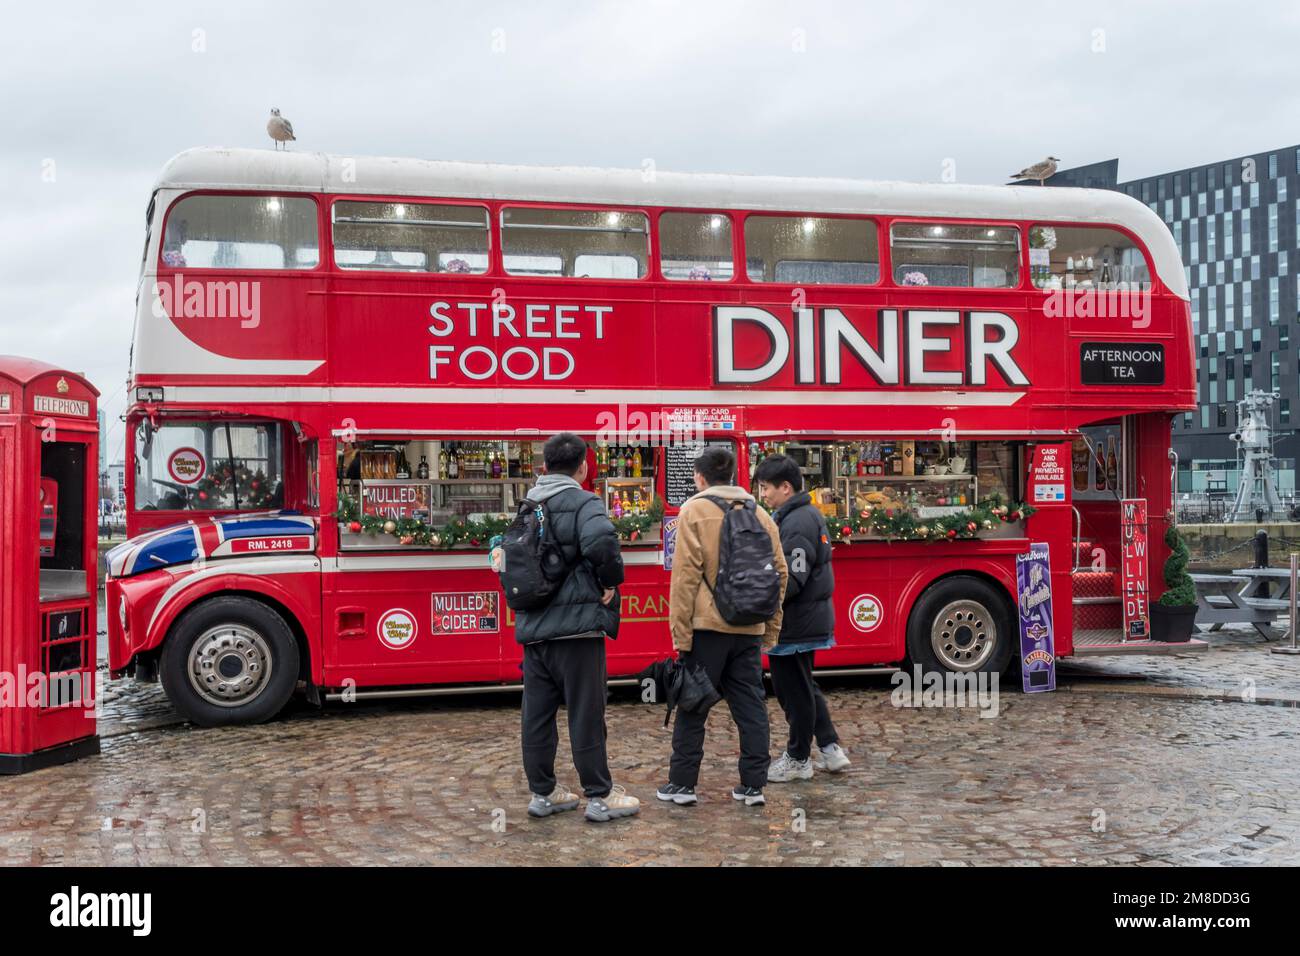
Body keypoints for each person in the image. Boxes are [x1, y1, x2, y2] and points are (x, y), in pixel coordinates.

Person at [512, 432, 640, 823]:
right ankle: (600, 795)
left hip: (534, 628)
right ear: (583, 467)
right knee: (586, 712)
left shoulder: (529, 505)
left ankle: (543, 792)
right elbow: (602, 542)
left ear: (544, 466)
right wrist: (609, 581)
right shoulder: (585, 501)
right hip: (578, 630)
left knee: (537, 714)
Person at [658, 445, 787, 807]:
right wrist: (770, 630)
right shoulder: (760, 513)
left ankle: (682, 785)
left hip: (707, 628)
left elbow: (685, 577)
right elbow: (780, 573)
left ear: (699, 477)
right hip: (749, 628)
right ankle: (753, 786)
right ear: (733, 475)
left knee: (693, 704)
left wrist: (681, 635)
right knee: (750, 705)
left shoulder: (694, 511)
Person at [753, 454, 850, 780]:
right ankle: (829, 747)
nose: (763, 494)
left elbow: (792, 579)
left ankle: (798, 759)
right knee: (803, 686)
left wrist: (759, 589)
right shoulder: (801, 515)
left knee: (793, 691)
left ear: (785, 487)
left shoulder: (796, 522)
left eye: (766, 487)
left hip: (795, 622)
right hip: (804, 619)